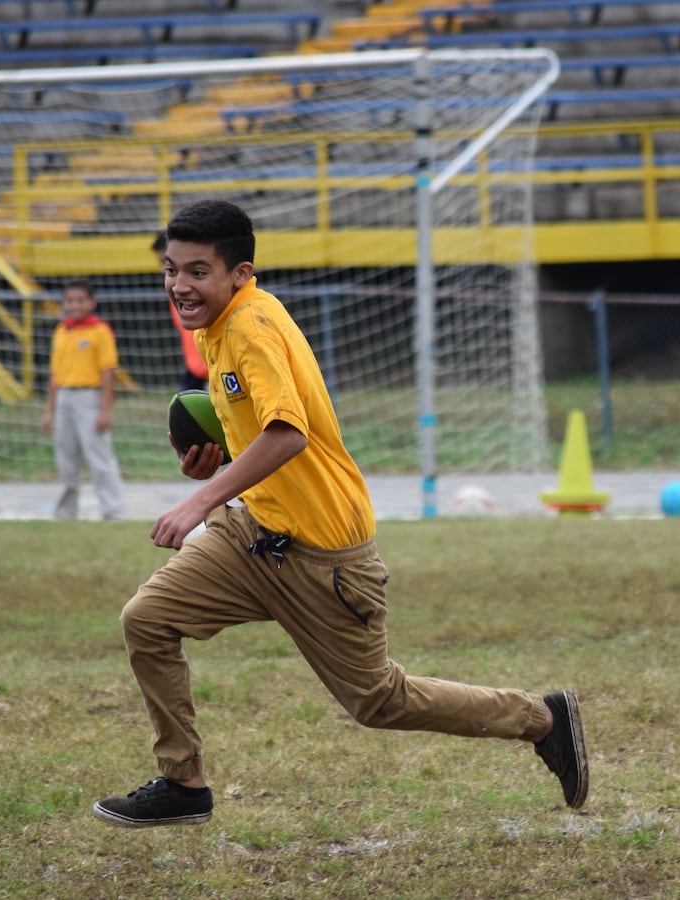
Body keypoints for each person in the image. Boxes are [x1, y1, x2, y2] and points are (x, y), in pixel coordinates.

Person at [93, 200, 587, 828]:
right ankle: (183, 782)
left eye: (197, 271)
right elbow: (261, 436)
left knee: (379, 701)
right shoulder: (218, 327)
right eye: (171, 269)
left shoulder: (250, 326)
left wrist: (199, 499)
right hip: (253, 532)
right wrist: (213, 466)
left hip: (323, 554)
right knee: (148, 620)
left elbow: (289, 435)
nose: (179, 286)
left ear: (240, 274)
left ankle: (541, 717)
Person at [40, 278, 126, 522]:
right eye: (69, 300)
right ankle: (66, 514)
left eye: (80, 300)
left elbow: (108, 372)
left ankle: (115, 512)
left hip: (90, 397)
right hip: (64, 399)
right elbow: (55, 375)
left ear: (91, 302)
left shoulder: (99, 331)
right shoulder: (61, 331)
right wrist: (50, 411)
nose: (74, 305)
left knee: (100, 459)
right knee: (66, 460)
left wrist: (105, 410)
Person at [154, 231, 210, 393]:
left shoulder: (199, 293)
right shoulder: (178, 293)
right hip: (195, 367)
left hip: (211, 367)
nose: (163, 270)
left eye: (168, 265)